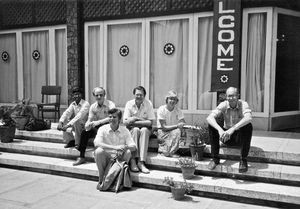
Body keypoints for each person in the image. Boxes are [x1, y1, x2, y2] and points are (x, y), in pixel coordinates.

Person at [206, 87, 253, 173]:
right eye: (229, 96)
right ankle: (215, 158)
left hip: (239, 138)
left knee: (248, 126)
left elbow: (249, 117)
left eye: (233, 96)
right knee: (212, 125)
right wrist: (220, 130)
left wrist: (233, 129)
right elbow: (209, 118)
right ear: (226, 97)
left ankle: (243, 160)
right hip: (226, 138)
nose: (231, 98)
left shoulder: (243, 104)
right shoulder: (224, 104)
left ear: (238, 96)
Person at [94, 108, 136, 190]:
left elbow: (133, 146)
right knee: (98, 151)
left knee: (128, 152)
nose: (111, 119)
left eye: (114, 117)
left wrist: (125, 147)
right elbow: (97, 143)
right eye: (110, 117)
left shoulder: (125, 130)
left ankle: (119, 180)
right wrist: (115, 148)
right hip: (106, 157)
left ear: (119, 119)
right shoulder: (102, 129)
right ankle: (101, 179)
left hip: (119, 158)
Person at [73, 87, 115, 166]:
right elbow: (90, 118)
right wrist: (87, 124)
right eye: (97, 95)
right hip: (97, 126)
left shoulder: (111, 104)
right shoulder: (93, 106)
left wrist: (98, 122)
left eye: (101, 95)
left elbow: (112, 117)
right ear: (94, 96)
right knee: (85, 132)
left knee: (99, 130)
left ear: (104, 95)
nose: (99, 97)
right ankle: (81, 156)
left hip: (109, 126)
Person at [123, 86, 155, 174]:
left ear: (144, 95)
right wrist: (141, 121)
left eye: (141, 95)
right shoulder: (129, 104)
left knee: (144, 130)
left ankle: (141, 162)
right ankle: (133, 161)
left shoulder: (148, 104)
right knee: (136, 130)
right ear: (134, 95)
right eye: (137, 94)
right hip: (133, 129)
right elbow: (125, 122)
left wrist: (135, 119)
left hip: (146, 129)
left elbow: (150, 123)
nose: (139, 96)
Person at [157, 90, 186, 157]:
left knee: (179, 131)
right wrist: (177, 126)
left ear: (176, 101)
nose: (172, 101)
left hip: (173, 132)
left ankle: (173, 152)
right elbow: (163, 127)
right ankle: (165, 151)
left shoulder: (178, 110)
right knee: (165, 152)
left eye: (174, 99)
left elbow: (182, 121)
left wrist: (181, 124)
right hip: (163, 131)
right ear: (167, 99)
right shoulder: (161, 109)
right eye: (171, 98)